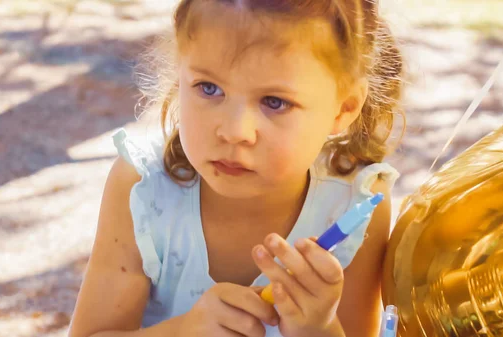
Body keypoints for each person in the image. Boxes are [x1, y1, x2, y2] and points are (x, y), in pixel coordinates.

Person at [68, 0, 403, 336]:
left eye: (275, 102)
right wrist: (183, 331)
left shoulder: (355, 204)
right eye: (208, 88)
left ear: (343, 108)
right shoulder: (143, 189)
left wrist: (319, 327)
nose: (234, 131)